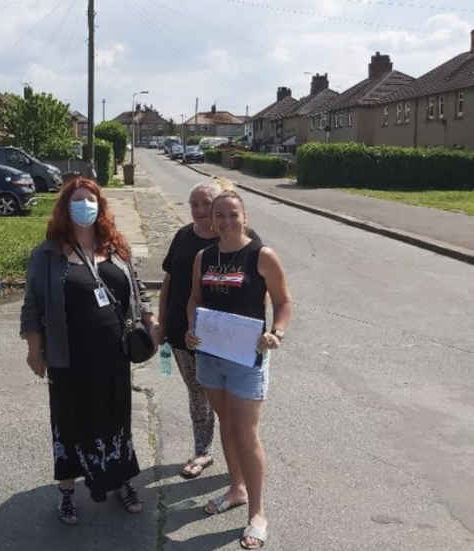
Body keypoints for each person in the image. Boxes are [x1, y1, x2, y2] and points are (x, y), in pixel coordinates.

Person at [20, 176, 157, 525]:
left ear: (101, 206)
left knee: (117, 422)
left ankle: (121, 482)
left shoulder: (116, 247)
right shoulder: (48, 253)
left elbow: (137, 288)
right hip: (69, 357)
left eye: (91, 199)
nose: (85, 206)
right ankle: (67, 494)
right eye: (77, 200)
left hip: (114, 357)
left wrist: (151, 319)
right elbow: (33, 304)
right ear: (65, 208)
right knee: (69, 424)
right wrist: (35, 349)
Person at [185, 190, 292, 550]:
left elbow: (283, 301)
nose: (226, 221)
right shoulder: (205, 256)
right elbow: (195, 300)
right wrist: (190, 328)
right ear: (212, 220)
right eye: (220, 215)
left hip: (247, 357)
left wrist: (276, 332)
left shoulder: (261, 256)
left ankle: (257, 514)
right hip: (212, 355)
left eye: (233, 214)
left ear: (245, 216)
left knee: (246, 433)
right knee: (227, 426)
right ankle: (236, 488)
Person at [155, 180, 261, 479]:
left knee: (235, 400)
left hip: (227, 338)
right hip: (183, 333)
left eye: (206, 204)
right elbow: (169, 282)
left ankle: (242, 458)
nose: (200, 211)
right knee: (198, 394)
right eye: (194, 204)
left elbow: (261, 285)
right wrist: (162, 324)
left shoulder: (240, 239)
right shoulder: (183, 236)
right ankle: (204, 451)